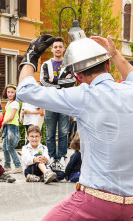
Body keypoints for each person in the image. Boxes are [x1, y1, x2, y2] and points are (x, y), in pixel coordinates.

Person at [16, 34, 133, 221]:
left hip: (96, 201)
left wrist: (30, 57)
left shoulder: (84, 95)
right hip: (130, 205)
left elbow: (25, 90)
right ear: (108, 64)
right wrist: (114, 51)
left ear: (78, 77)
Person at [40, 37, 76, 171]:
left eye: (60, 47)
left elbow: (72, 81)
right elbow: (43, 82)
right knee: (49, 133)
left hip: (64, 103)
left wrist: (54, 81)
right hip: (50, 102)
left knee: (63, 132)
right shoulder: (46, 65)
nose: (58, 49)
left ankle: (61, 157)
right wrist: (61, 81)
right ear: (52, 49)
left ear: (64, 48)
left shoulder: (69, 66)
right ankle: (51, 157)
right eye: (55, 47)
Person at [0, 85, 22, 174]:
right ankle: (7, 166)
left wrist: (3, 123)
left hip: (12, 126)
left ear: (15, 93)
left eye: (12, 92)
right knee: (4, 147)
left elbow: (11, 116)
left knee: (10, 146)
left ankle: (18, 166)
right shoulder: (8, 103)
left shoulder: (15, 103)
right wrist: (3, 124)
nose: (10, 94)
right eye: (8, 92)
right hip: (7, 126)